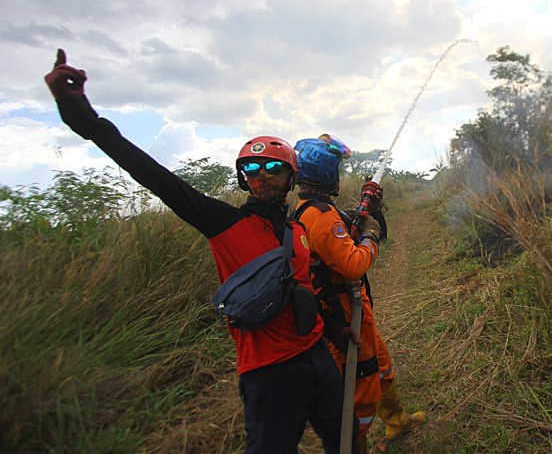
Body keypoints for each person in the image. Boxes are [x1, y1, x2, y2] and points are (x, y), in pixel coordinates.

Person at [44, 49, 357, 454]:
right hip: (268, 374)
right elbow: (153, 174)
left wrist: (333, 329)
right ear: (243, 180)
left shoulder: (297, 230)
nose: (262, 178)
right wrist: (80, 115)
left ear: (292, 177)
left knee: (347, 440)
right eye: (252, 171)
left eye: (273, 169)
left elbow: (305, 287)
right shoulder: (223, 224)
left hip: (317, 357)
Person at [291, 134, 425, 453]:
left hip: (355, 314)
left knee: (383, 368)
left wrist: (369, 208)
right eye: (335, 168)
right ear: (327, 174)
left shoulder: (310, 210)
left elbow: (336, 243)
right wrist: (372, 236)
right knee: (359, 398)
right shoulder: (320, 217)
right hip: (345, 322)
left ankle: (397, 421)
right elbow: (352, 264)